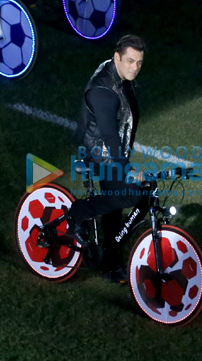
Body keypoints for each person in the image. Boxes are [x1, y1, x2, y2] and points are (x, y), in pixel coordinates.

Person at [68, 34, 146, 283]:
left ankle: (110, 263)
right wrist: (126, 169)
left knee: (115, 204)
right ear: (117, 58)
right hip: (95, 149)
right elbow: (109, 136)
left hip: (112, 147)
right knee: (129, 194)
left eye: (139, 62)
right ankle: (79, 212)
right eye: (130, 61)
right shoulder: (104, 90)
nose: (134, 67)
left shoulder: (120, 77)